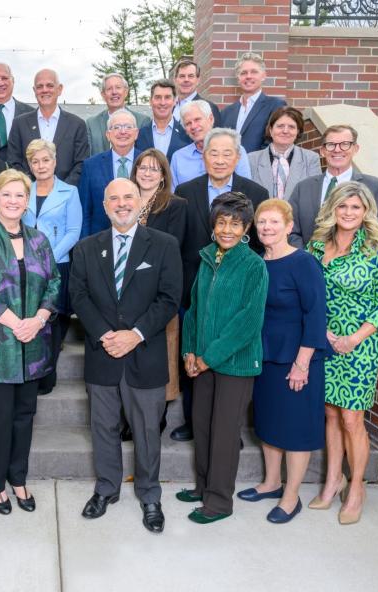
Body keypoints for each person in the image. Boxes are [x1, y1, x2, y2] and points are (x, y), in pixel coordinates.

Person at [70, 178, 182, 534]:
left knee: (148, 430)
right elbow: (79, 296)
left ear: (140, 202)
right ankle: (106, 489)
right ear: (104, 206)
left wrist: (133, 335)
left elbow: (169, 298)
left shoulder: (164, 245)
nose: (121, 203)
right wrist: (106, 335)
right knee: (102, 427)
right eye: (113, 198)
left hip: (144, 353)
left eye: (128, 197)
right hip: (102, 353)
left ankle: (150, 495)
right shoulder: (87, 247)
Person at [0, 169, 60, 515]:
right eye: (7, 195)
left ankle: (18, 478)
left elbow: (54, 283)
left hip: (32, 344)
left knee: (25, 415)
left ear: (27, 200)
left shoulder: (39, 240)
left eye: (20, 195)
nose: (13, 201)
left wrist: (38, 320)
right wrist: (17, 323)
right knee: (0, 417)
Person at [307, 182, 378, 525]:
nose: (348, 213)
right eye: (343, 207)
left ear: (366, 213)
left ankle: (356, 486)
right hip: (324, 340)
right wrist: (324, 333)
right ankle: (333, 480)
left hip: (360, 345)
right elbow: (310, 293)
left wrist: (354, 338)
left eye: (356, 208)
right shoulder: (317, 246)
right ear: (333, 208)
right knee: (330, 414)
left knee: (351, 417)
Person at [171, 128, 269, 442]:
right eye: (214, 153)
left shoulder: (256, 192)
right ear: (204, 156)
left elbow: (257, 247)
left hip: (235, 294)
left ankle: (228, 426)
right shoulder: (185, 190)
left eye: (227, 153)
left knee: (228, 353)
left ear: (237, 158)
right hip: (194, 287)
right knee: (192, 352)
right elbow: (177, 240)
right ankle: (193, 420)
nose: (220, 159)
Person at [237, 199, 328, 524]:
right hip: (266, 357)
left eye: (274, 222)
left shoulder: (303, 263)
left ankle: (291, 497)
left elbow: (316, 315)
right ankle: (271, 482)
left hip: (296, 360)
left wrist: (302, 363)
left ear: (289, 227)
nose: (267, 228)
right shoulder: (259, 262)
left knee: (295, 429)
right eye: (262, 222)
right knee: (269, 423)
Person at [179, 192, 268, 524]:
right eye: (221, 222)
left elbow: (247, 322)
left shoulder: (253, 265)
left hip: (234, 365)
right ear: (213, 225)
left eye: (235, 223)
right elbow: (194, 310)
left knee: (224, 433)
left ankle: (218, 502)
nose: (227, 230)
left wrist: (208, 357)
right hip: (201, 362)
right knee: (201, 426)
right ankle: (203, 487)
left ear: (246, 227)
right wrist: (190, 352)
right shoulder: (207, 258)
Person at [22, 139, 82, 394]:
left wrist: (47, 258)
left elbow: (73, 232)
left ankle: (49, 374)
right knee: (31, 316)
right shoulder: (24, 190)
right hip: (26, 265)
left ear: (55, 161)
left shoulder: (69, 192)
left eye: (45, 160)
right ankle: (31, 370)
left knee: (53, 321)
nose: (41, 165)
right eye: (35, 161)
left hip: (58, 265)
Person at [131, 148, 187, 414]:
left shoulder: (175, 205)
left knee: (161, 353)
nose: (147, 173)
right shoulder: (125, 200)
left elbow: (173, 247)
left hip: (158, 289)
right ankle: (130, 413)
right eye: (143, 167)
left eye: (154, 168)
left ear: (163, 175)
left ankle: (159, 413)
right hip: (126, 290)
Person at [287, 124, 378, 247]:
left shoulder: (376, 187)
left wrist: (347, 262)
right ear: (322, 151)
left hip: (356, 264)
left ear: (355, 149)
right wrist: (308, 258)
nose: (337, 150)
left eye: (345, 144)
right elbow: (291, 231)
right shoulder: (303, 187)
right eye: (331, 145)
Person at [7, 69, 89, 186]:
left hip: (66, 196)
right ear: (34, 90)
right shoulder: (19, 123)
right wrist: (32, 187)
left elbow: (81, 163)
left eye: (50, 85)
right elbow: (14, 161)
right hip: (29, 195)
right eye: (40, 86)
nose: (45, 90)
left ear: (59, 89)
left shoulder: (77, 124)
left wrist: (61, 191)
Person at [80, 110, 141, 237]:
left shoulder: (148, 163)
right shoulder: (91, 166)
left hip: (142, 240)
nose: (122, 132)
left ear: (136, 133)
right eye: (116, 127)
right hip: (100, 242)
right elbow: (85, 212)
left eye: (128, 127)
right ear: (108, 135)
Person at [171, 103, 252, 190]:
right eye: (188, 123)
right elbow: (174, 195)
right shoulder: (179, 157)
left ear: (211, 119)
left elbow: (245, 188)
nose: (193, 126)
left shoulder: (235, 150)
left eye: (197, 119)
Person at [248, 106, 320, 200]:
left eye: (291, 127)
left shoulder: (311, 159)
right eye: (280, 126)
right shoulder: (251, 159)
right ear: (270, 130)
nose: (285, 131)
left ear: (297, 131)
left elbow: (314, 195)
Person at [221, 52, 287, 153]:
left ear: (263, 76)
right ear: (238, 78)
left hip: (259, 167)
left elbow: (275, 142)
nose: (248, 76)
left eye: (254, 72)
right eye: (243, 73)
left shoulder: (275, 106)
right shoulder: (226, 113)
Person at [86, 73, 150, 156]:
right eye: (109, 89)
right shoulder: (92, 124)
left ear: (126, 92)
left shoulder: (142, 121)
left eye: (118, 88)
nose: (114, 92)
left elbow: (145, 156)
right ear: (103, 95)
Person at [134, 79, 189, 164]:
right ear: (150, 101)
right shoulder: (139, 135)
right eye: (158, 97)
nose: (162, 103)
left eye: (167, 97)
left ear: (175, 101)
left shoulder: (187, 134)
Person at [170, 60, 221, 127]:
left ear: (198, 80)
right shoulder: (169, 106)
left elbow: (215, 136)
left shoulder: (210, 107)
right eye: (182, 76)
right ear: (175, 80)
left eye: (191, 76)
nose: (186, 80)